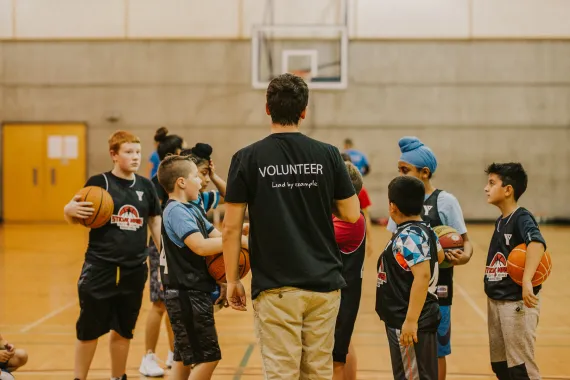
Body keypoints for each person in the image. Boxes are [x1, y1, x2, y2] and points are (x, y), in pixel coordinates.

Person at [222, 73, 361, 380]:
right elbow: (352, 214)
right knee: (317, 373)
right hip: (324, 285)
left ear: (267, 108)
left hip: (276, 287)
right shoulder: (328, 154)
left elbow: (231, 229)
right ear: (304, 111)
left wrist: (232, 281)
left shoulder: (246, 158)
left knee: (282, 374)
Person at [63, 130, 162, 380]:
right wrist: (68, 210)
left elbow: (155, 224)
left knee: (123, 329)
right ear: (114, 154)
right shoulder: (98, 184)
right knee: (89, 329)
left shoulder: (146, 186)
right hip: (100, 268)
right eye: (129, 152)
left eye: (138, 152)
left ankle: (118, 377)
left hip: (134, 269)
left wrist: (165, 257)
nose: (135, 157)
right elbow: (75, 216)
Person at [387, 136, 473, 380]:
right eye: (399, 170)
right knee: (408, 349)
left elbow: (465, 241)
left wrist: (463, 256)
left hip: (439, 288)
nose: (401, 175)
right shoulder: (401, 199)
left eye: (406, 170)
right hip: (406, 290)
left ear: (424, 172)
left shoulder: (445, 201)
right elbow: (393, 243)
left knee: (437, 350)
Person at [157, 155, 248, 380]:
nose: (201, 182)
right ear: (181, 182)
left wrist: (242, 236)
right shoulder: (176, 211)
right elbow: (201, 246)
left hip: (190, 292)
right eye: (196, 177)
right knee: (208, 358)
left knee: (182, 358)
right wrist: (237, 241)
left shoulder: (191, 209)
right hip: (186, 294)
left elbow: (221, 237)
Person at [377, 176, 444, 380]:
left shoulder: (408, 236)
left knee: (410, 376)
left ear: (392, 207)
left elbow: (423, 275)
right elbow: (439, 256)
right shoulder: (425, 230)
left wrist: (410, 321)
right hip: (412, 318)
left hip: (408, 322)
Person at [484, 162, 546, 380]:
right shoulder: (501, 221)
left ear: (508, 189)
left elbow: (537, 243)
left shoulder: (522, 217)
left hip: (515, 303)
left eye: (492, 183)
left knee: (521, 370)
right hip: (497, 300)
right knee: (501, 366)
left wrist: (527, 280)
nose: (486, 188)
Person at [139, 132, 185, 377]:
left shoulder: (175, 181)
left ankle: (171, 352)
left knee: (171, 302)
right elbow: (154, 222)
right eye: (184, 149)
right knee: (159, 303)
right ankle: (147, 356)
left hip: (175, 245)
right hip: (160, 246)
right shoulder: (158, 185)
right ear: (175, 153)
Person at [332, 162, 366, 380]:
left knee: (335, 360)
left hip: (343, 296)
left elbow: (308, 239)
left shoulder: (349, 221)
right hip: (344, 295)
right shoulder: (344, 216)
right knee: (343, 350)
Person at [341, 153, 374, 257]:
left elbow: (366, 216)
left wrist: (370, 240)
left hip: (355, 235)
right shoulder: (330, 189)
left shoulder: (361, 191)